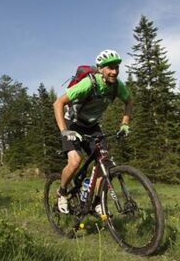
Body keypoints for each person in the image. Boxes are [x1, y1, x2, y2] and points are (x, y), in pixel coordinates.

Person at [53, 49, 133, 214]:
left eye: (116, 67)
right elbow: (58, 103)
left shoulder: (117, 86)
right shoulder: (89, 83)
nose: (114, 71)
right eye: (110, 67)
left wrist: (125, 124)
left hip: (92, 125)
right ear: (100, 68)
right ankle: (62, 192)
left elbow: (129, 101)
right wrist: (64, 131)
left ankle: (97, 202)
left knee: (103, 161)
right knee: (75, 161)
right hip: (72, 124)